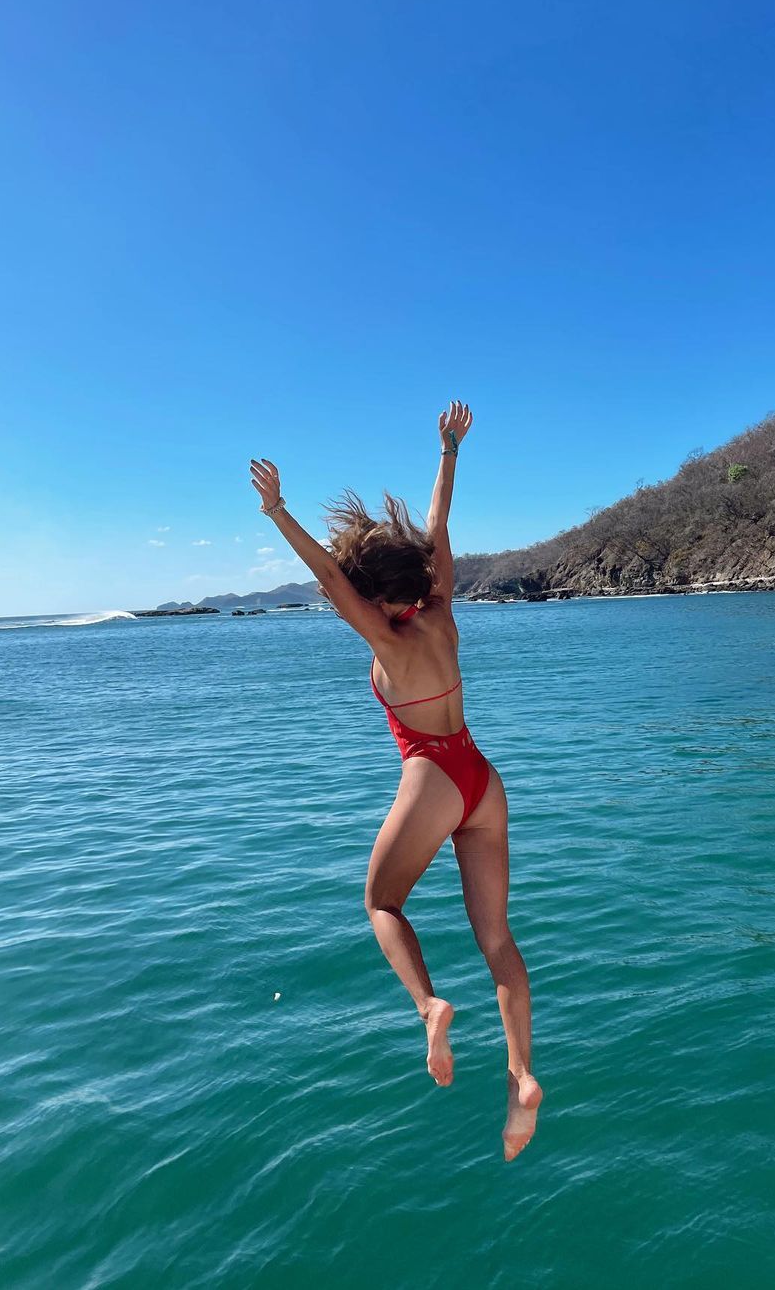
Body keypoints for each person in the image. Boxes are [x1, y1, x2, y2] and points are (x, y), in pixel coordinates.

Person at [249, 402, 542, 1161]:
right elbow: (440, 522)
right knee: (498, 938)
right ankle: (520, 1080)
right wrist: (448, 452)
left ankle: (430, 1006)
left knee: (382, 902)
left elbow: (322, 572)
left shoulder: (383, 634)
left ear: (375, 597)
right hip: (483, 778)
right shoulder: (443, 610)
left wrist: (279, 510)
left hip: (433, 776)